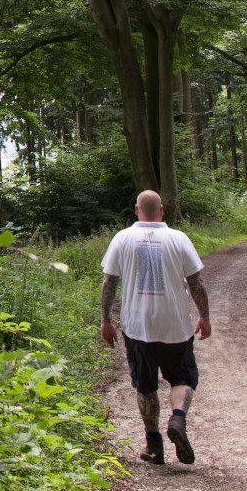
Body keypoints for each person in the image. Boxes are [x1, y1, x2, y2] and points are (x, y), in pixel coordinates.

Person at [99, 190, 210, 465]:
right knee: (182, 377)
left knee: (145, 385)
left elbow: (109, 283)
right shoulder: (178, 238)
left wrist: (106, 320)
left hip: (138, 327)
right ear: (161, 210)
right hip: (175, 325)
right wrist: (204, 316)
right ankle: (178, 419)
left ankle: (154, 445)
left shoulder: (122, 238)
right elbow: (196, 283)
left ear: (137, 210)